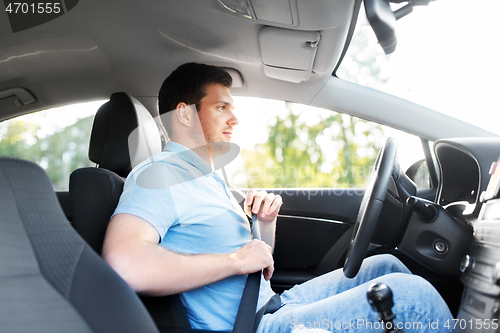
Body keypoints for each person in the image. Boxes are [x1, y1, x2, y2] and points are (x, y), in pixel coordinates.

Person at [102, 63, 453, 332]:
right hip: (256, 326)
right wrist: (236, 260)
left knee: (383, 266)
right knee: (412, 299)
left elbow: (258, 262)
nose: (234, 118)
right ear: (184, 113)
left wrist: (263, 225)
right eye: (221, 107)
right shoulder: (161, 175)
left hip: (272, 304)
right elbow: (125, 264)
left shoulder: (206, 178)